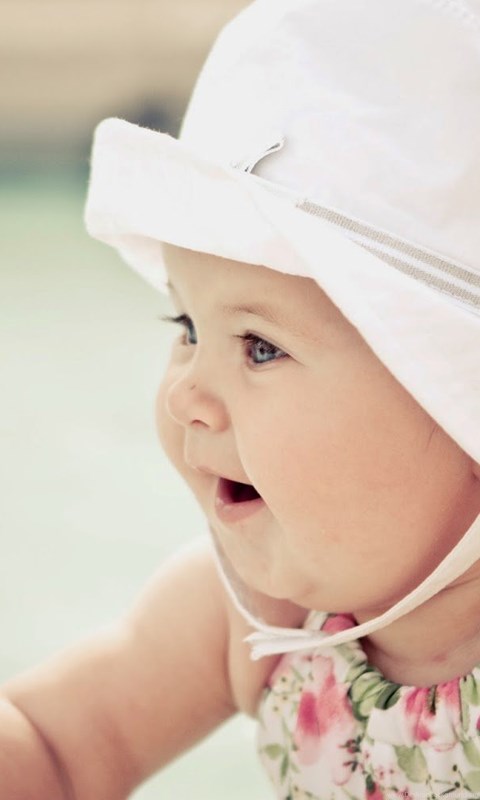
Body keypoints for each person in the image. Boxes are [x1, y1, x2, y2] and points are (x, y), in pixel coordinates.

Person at [2, 0, 480, 797]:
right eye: (187, 325)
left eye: (261, 346)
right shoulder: (266, 617)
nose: (186, 393)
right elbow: (57, 745)